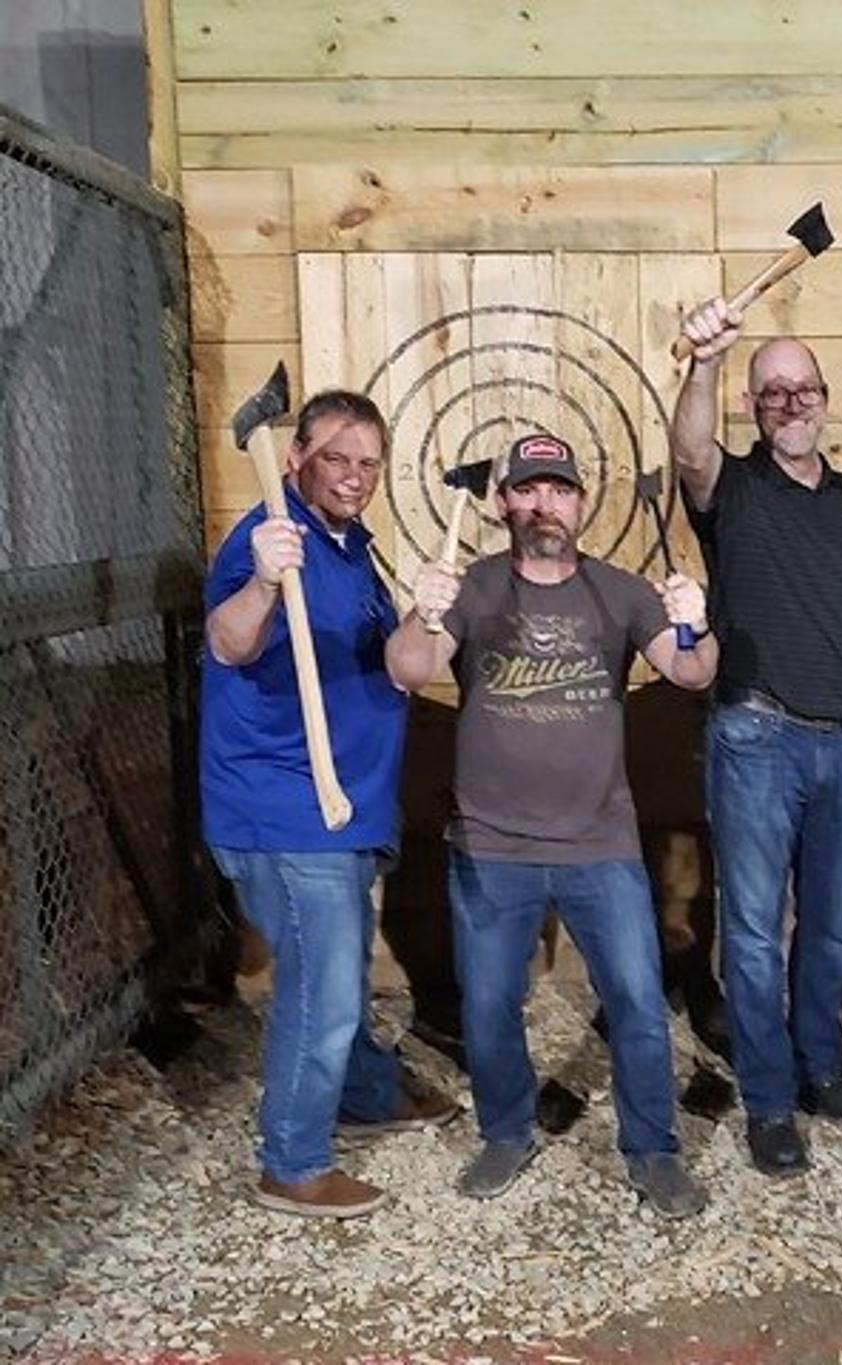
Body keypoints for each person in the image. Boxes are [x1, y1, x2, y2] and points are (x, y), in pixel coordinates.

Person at [386, 432, 719, 1219]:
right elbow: (408, 669)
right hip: (490, 844)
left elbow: (693, 672)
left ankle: (654, 1151)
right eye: (529, 490)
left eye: (559, 490)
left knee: (637, 1003)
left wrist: (694, 623)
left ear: (578, 501)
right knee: (491, 1004)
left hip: (599, 841)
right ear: (504, 502)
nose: (545, 505)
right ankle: (507, 1132)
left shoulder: (620, 592)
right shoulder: (467, 588)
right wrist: (420, 613)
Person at [202, 389, 456, 1219]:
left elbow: (400, 668)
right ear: (293, 457)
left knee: (336, 964)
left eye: (368, 464)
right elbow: (229, 640)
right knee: (325, 981)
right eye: (335, 459)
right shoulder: (267, 538)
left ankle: (368, 1092)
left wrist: (424, 613)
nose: (352, 477)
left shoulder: (351, 547)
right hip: (283, 808)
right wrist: (268, 585)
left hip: (343, 809)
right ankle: (294, 1159)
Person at [669, 301, 842, 1178]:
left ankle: (820, 1067)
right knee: (758, 932)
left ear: (824, 399)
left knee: (836, 928)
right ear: (754, 407)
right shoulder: (729, 488)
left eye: (802, 387)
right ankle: (770, 1101)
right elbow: (690, 451)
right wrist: (702, 363)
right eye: (770, 392)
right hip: (756, 736)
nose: (789, 401)